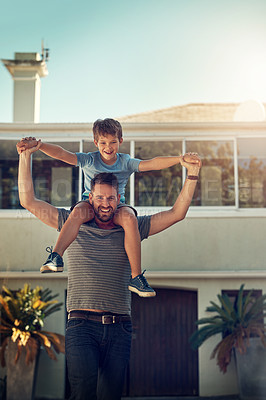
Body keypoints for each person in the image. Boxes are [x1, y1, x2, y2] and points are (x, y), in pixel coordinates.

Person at [17, 142, 201, 400]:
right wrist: (25, 156)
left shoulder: (132, 228)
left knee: (110, 395)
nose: (105, 204)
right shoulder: (70, 223)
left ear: (119, 199)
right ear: (89, 198)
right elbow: (28, 200)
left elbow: (177, 213)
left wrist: (191, 175)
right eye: (100, 198)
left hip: (120, 328)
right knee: (83, 393)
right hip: (81, 326)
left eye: (111, 198)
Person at [17, 118, 198, 297]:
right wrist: (39, 146)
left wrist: (179, 160)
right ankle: (56, 256)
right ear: (96, 143)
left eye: (113, 142)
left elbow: (151, 163)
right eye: (103, 142)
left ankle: (136, 277)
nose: (108, 147)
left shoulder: (126, 162)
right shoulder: (89, 160)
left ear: (120, 141)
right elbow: (63, 154)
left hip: (118, 208)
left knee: (129, 218)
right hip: (88, 205)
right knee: (78, 212)